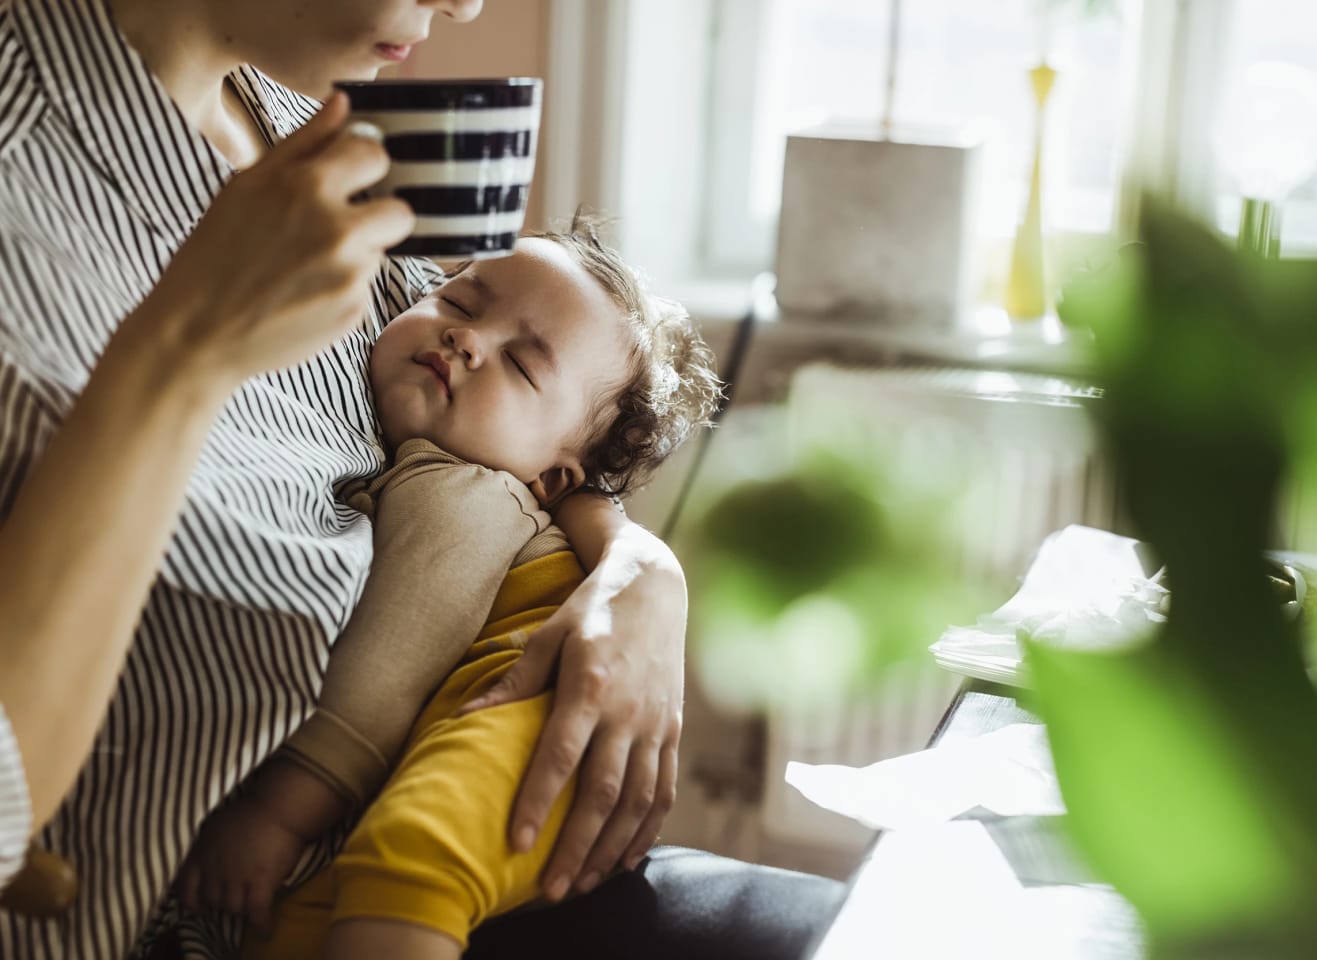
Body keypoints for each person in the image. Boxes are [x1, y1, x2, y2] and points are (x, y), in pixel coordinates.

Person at [0, 1, 843, 958]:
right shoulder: (26, 169)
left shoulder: (305, 124)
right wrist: (177, 356)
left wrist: (638, 572)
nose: (468, 7)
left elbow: (510, 431)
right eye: (463, 301)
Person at [175, 219, 723, 960]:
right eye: (461, 303)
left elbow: (390, 659)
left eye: (522, 367)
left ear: (553, 478)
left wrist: (277, 816)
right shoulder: (425, 460)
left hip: (525, 722)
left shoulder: (470, 494)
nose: (467, 340)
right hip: (534, 743)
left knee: (402, 871)